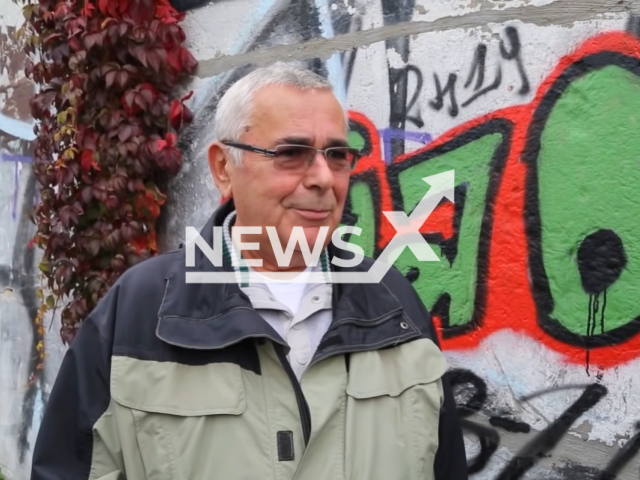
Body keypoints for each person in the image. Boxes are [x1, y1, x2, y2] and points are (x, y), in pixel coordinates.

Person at [31, 62, 468, 480]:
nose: (322, 178)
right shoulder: (140, 314)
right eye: (292, 153)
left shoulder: (395, 305)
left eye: (337, 155)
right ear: (224, 168)